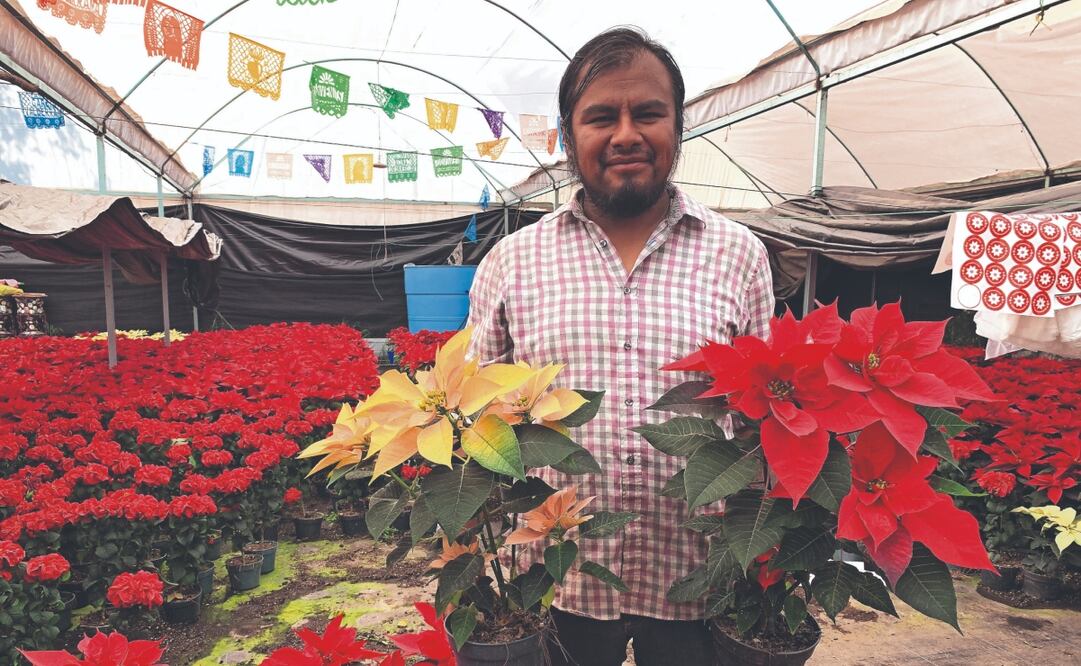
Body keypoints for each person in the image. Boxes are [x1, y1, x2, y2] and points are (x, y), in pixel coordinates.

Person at [466, 27, 775, 666]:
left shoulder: (739, 255)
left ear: (678, 126)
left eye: (649, 113)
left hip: (697, 575)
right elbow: (480, 418)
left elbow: (760, 420)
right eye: (602, 116)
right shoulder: (511, 262)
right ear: (569, 134)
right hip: (555, 574)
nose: (627, 134)